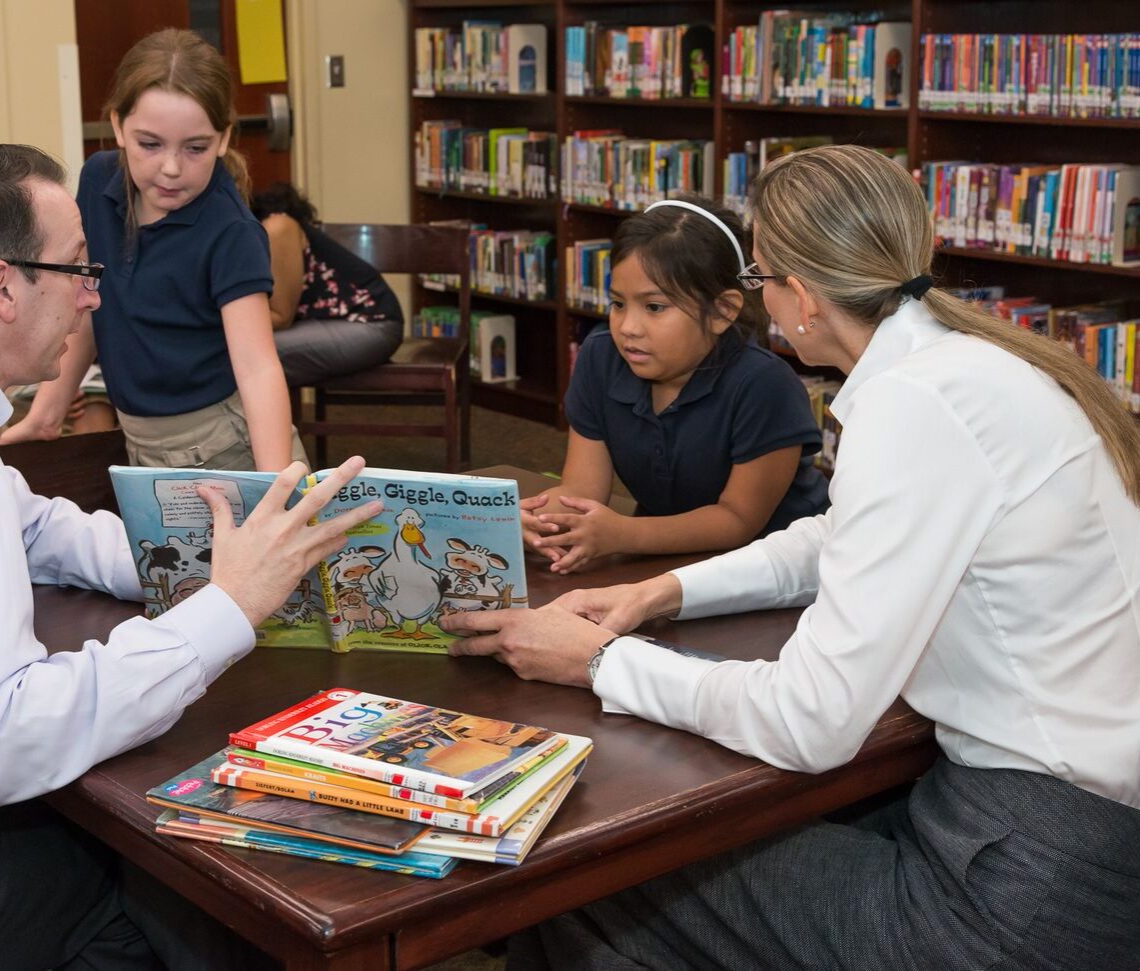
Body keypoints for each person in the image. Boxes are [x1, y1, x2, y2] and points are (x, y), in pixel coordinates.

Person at [444, 143, 1140, 969]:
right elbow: (833, 535)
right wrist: (657, 594)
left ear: (802, 298)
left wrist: (601, 661)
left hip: (1023, 876)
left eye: (765, 277)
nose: (762, 302)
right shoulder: (966, 364)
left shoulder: (915, 404)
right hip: (1050, 830)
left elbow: (810, 721)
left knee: (580, 868)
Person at [0, 143, 382, 968]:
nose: (94, 294)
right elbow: (1, 741)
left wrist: (203, 557)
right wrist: (222, 610)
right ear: (3, 286)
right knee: (143, 882)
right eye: (79, 268)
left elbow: (34, 525)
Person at [0, 28, 305, 473]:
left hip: (226, 445)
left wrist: (276, 488)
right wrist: (47, 413)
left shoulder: (231, 230)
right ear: (119, 126)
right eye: (150, 144)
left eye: (196, 148)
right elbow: (88, 306)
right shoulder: (98, 180)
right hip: (140, 440)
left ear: (223, 139)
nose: (171, 168)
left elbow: (258, 369)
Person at [522, 196, 828, 574]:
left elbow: (737, 520)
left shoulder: (765, 385)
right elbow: (582, 492)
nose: (627, 327)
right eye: (618, 304)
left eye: (654, 307)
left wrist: (623, 534)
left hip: (778, 572)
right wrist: (536, 522)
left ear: (722, 311)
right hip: (663, 558)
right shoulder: (599, 358)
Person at [248, 182, 404, 387]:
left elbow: (281, 317)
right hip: (332, 323)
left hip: (371, 324)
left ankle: (253, 419)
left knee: (246, 352)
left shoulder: (278, 226)